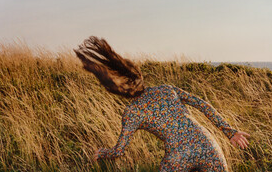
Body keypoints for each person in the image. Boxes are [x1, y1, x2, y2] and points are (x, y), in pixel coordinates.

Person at [74, 36, 250, 172]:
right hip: (208, 146)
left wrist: (103, 153)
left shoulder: (132, 112)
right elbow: (202, 104)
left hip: (178, 156)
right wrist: (230, 132)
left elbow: (119, 151)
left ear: (116, 89)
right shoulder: (166, 90)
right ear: (136, 73)